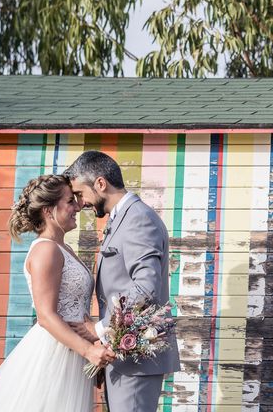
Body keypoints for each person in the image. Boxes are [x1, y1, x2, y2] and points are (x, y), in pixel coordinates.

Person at [0, 174, 115, 412]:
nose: (78, 206)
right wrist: (88, 350)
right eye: (69, 201)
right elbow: (46, 316)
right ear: (48, 210)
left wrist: (94, 341)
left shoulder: (62, 248)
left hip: (74, 350)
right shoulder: (46, 250)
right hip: (55, 354)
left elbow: (75, 307)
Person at [64, 151, 180, 412]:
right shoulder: (121, 218)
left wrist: (100, 328)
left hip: (137, 360)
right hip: (124, 357)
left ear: (101, 184)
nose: (80, 203)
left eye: (81, 194)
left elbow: (145, 287)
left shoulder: (138, 219)